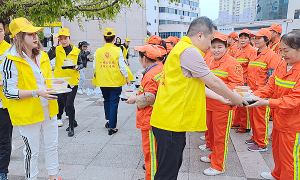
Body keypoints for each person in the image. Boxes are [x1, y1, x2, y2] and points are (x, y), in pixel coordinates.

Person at [150, 17, 247, 179]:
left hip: (168, 120)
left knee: (169, 168)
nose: (210, 46)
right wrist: (234, 98)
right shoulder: (190, 51)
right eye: (210, 40)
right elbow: (213, 81)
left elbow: (195, 86)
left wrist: (221, 99)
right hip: (170, 123)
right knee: (167, 173)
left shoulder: (181, 48)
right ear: (200, 35)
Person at [1, 17, 61, 180]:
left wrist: (56, 85)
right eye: (30, 34)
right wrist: (37, 92)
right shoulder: (9, 60)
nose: (36, 37)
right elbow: (9, 92)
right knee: (31, 151)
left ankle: (54, 177)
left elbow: (48, 79)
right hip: (28, 112)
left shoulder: (43, 56)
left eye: (35, 33)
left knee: (52, 146)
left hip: (49, 108)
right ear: (18, 37)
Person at [246, 30, 300, 180]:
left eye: (286, 50)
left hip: (294, 124)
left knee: (291, 158)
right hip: (280, 118)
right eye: (281, 50)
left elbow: (295, 100)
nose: (282, 54)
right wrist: (253, 95)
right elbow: (270, 86)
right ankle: (277, 174)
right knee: (277, 151)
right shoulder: (283, 64)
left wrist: (267, 102)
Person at [200, 32, 244, 175]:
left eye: (220, 46)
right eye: (213, 47)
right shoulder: (209, 61)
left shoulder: (232, 63)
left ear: (226, 47)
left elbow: (237, 85)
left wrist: (216, 90)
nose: (216, 50)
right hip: (209, 104)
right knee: (212, 134)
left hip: (223, 106)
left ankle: (218, 166)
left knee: (220, 137)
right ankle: (213, 156)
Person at [126, 44, 162, 180]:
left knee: (150, 153)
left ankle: (151, 177)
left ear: (144, 58)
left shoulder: (150, 74)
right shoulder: (157, 69)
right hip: (154, 116)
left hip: (149, 118)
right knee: (153, 152)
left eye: (140, 57)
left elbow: (150, 96)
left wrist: (134, 98)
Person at [246, 28, 280, 152]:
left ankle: (261, 143)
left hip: (263, 93)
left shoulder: (272, 56)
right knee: (253, 116)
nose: (256, 40)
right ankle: (255, 137)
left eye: (259, 38)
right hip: (252, 92)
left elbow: (271, 77)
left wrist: (266, 95)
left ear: (266, 40)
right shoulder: (254, 54)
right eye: (255, 38)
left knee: (261, 118)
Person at [93, 28, 131, 135]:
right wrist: (127, 78)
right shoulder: (117, 50)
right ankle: (112, 127)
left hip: (103, 81)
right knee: (114, 102)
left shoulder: (98, 51)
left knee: (106, 100)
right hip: (115, 81)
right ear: (114, 39)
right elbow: (122, 66)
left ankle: (108, 121)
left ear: (104, 39)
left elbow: (94, 66)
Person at [48, 28, 83, 136]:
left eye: (65, 38)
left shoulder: (76, 50)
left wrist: (77, 67)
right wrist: (54, 45)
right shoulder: (57, 50)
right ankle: (73, 121)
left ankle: (71, 127)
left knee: (69, 103)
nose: (63, 41)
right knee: (63, 103)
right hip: (60, 82)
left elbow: (82, 64)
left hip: (72, 81)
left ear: (69, 38)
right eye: (61, 39)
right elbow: (47, 57)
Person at [232, 29, 257, 133]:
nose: (242, 40)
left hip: (245, 82)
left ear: (249, 39)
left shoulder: (251, 51)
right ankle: (238, 122)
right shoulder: (239, 50)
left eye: (245, 38)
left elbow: (252, 68)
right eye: (241, 38)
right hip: (239, 81)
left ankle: (246, 126)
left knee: (244, 105)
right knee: (238, 104)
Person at [0, 19, 12, 180]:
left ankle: (2, 172)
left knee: (4, 139)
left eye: (0, 30)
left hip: (4, 102)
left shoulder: (10, 51)